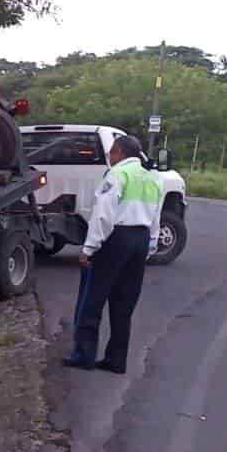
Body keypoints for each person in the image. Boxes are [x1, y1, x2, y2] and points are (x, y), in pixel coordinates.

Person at [64, 134, 164, 374]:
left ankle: (84, 356)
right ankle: (116, 360)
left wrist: (88, 249)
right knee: (124, 304)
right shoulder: (152, 178)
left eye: (111, 153)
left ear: (119, 152)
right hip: (139, 240)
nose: (109, 157)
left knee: (92, 300)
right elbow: (156, 216)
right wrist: (150, 245)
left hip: (115, 240)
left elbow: (103, 216)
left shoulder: (118, 174)